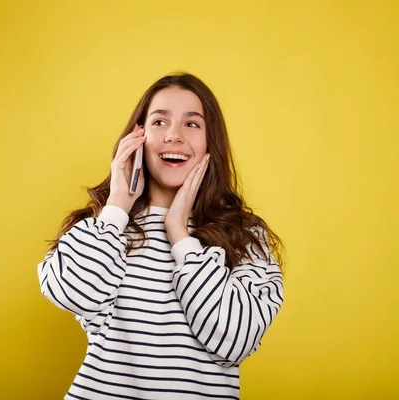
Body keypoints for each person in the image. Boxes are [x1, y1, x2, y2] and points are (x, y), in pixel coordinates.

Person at [37, 72, 284, 400]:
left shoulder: (245, 236)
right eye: (159, 122)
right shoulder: (103, 224)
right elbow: (73, 293)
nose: (174, 136)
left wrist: (180, 234)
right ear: (137, 136)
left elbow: (236, 341)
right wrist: (116, 207)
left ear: (212, 143)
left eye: (192, 124)